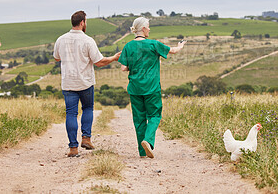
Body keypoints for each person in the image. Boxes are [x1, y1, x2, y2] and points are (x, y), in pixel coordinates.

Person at [53, 10, 121, 157]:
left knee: (71, 113)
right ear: (82, 22)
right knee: (88, 108)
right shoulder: (88, 40)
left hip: (68, 83)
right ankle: (86, 138)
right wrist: (114, 58)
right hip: (85, 82)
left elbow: (56, 58)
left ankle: (73, 148)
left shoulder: (61, 39)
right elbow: (99, 62)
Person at [118, 17, 186, 158]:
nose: (149, 29)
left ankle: (142, 152)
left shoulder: (128, 46)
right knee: (155, 115)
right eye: (148, 27)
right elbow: (172, 51)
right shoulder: (153, 44)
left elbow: (124, 68)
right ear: (143, 29)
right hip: (151, 87)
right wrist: (180, 46)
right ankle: (148, 140)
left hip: (135, 88)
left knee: (139, 119)